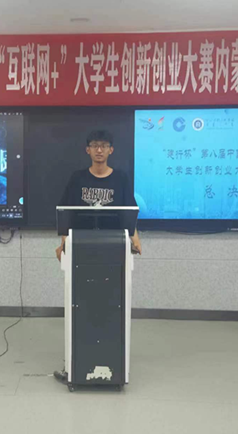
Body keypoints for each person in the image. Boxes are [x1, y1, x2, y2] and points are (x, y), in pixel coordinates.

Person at [53, 130, 141, 383]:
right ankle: (76, 363)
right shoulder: (77, 178)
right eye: (94, 146)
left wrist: (135, 238)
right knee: (80, 305)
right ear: (88, 150)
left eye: (104, 146)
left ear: (111, 150)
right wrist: (63, 243)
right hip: (81, 247)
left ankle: (114, 363)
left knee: (111, 305)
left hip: (113, 248)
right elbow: (65, 213)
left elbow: (129, 213)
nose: (99, 150)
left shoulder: (121, 178)